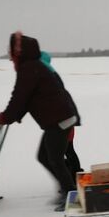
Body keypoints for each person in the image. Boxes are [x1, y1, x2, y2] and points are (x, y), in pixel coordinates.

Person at [0, 32, 81, 211]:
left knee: (54, 158)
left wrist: (7, 116)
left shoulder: (30, 68)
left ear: (18, 52)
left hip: (60, 119)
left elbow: (19, 97)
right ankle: (68, 188)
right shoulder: (33, 67)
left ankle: (71, 194)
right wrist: (11, 116)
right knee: (45, 156)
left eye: (11, 51)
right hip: (57, 119)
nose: (10, 56)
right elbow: (26, 100)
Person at [39, 51, 83, 183]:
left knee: (66, 150)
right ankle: (72, 172)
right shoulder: (48, 74)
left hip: (63, 121)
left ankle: (74, 173)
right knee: (66, 150)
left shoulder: (47, 74)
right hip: (63, 120)